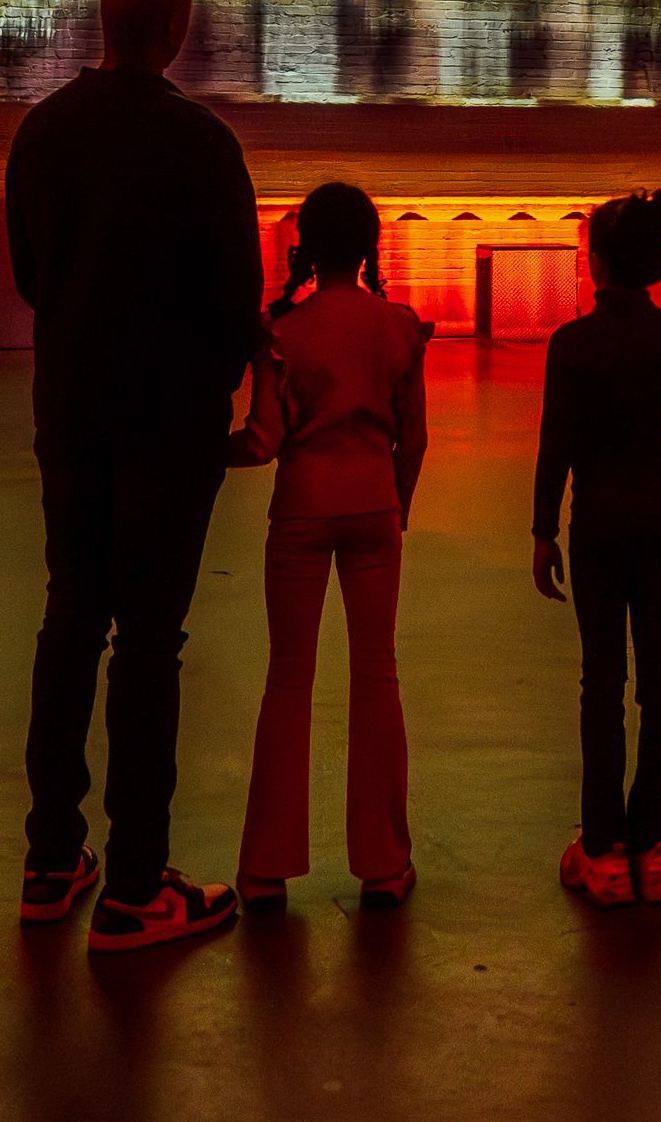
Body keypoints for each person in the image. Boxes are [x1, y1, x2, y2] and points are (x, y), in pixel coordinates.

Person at [3, 0, 265, 953]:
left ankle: (48, 859)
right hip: (169, 423)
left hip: (69, 406)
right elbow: (236, 302)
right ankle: (136, 887)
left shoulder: (43, 130)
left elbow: (32, 275)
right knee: (149, 642)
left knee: (70, 615)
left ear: (103, 24)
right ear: (179, 31)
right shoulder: (202, 143)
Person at [530, 187, 661, 908]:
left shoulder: (572, 344)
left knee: (602, 686)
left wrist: (540, 531)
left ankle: (602, 850)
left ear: (597, 264)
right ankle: (656, 848)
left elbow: (554, 446)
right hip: (659, 526)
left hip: (596, 529)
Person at [227, 183, 432, 911]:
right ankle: (383, 863)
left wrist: (198, 453)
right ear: (371, 246)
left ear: (304, 249)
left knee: (288, 678)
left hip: (301, 514)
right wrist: (395, 509)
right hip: (374, 505)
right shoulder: (400, 326)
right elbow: (416, 439)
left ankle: (265, 870)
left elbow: (262, 440)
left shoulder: (279, 330)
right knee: (377, 673)